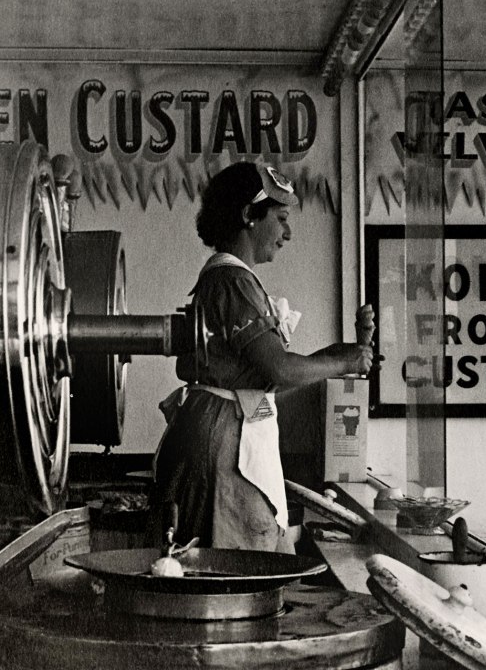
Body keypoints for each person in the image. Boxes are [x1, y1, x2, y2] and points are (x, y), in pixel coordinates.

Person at [145, 161, 375, 553]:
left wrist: (342, 353)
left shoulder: (227, 278)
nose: (287, 233)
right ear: (249, 216)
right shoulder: (233, 281)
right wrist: (346, 363)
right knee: (232, 567)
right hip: (224, 445)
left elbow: (263, 380)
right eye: (281, 218)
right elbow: (279, 369)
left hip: (224, 427)